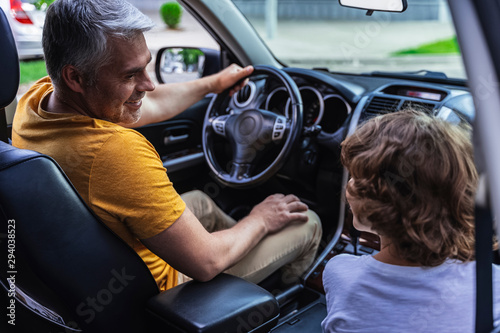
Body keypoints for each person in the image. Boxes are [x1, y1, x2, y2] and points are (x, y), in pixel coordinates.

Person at [12, 0, 322, 292]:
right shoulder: (114, 151)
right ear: (75, 77)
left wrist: (213, 84)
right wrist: (260, 220)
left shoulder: (37, 102)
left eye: (146, 67)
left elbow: (153, 102)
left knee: (200, 200)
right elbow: (206, 261)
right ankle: (277, 301)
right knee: (306, 221)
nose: (148, 84)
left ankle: (247, 254)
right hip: (166, 293)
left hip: (104, 260)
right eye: (131, 74)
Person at [321, 110, 500, 332]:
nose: (349, 186)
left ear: (377, 206)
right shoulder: (492, 284)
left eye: (358, 179)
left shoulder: (339, 272)